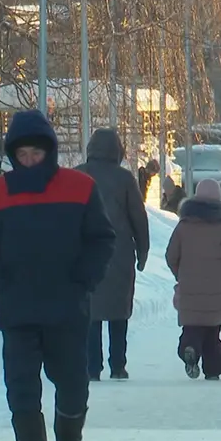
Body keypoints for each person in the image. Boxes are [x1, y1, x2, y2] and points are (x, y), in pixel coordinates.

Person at [0, 109, 116, 441]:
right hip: (17, 308)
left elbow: (101, 238)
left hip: (66, 307)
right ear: (13, 155)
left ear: (48, 151)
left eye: (36, 153)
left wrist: (84, 278)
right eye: (23, 155)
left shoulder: (79, 188)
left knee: (72, 385)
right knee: (21, 386)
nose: (30, 161)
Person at [75, 128, 151, 381]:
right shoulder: (124, 179)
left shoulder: (78, 175)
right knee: (119, 312)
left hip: (85, 252)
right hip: (119, 253)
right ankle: (118, 365)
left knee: (90, 311)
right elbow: (138, 218)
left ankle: (91, 367)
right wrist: (143, 250)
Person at [166, 179, 221, 379]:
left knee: (191, 327)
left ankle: (189, 347)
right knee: (212, 333)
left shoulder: (183, 226)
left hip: (189, 288)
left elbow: (171, 255)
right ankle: (213, 369)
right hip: (217, 290)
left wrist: (181, 274)